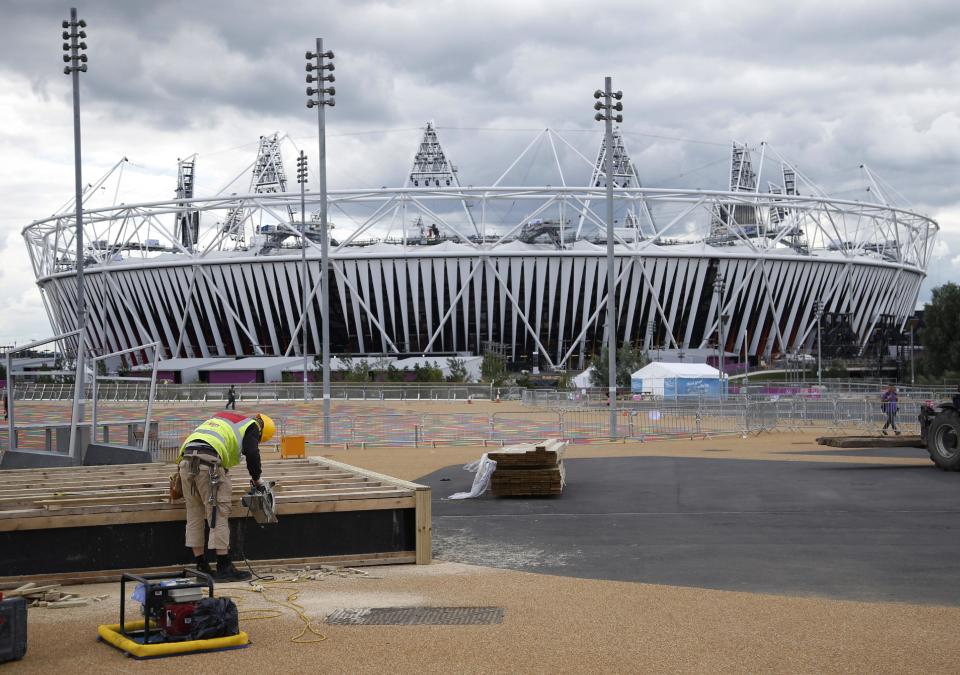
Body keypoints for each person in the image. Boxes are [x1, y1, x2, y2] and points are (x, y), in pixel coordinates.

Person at [176, 410, 275, 581]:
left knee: (193, 514)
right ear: (261, 432)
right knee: (218, 513)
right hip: (209, 465)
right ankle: (223, 567)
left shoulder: (222, 417)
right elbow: (252, 453)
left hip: (185, 463)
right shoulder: (252, 427)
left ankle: (201, 566)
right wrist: (257, 479)